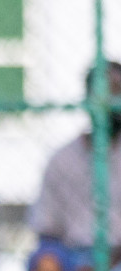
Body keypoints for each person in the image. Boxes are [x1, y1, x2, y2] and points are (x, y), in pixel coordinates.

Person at [31, 61, 121, 257]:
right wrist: (64, 270)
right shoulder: (62, 160)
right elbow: (46, 230)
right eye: (103, 94)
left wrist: (108, 265)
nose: (110, 102)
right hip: (72, 256)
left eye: (117, 94)